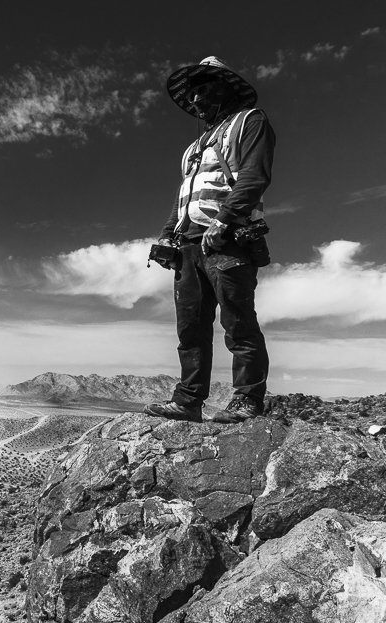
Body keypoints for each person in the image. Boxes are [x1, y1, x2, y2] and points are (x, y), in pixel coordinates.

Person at [145, 56, 276, 423]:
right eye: (192, 94)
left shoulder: (250, 122)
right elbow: (183, 195)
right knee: (191, 329)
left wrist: (224, 220)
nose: (196, 100)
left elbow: (254, 176)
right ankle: (188, 401)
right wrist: (167, 235)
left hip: (227, 240)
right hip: (188, 246)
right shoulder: (194, 147)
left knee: (238, 324)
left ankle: (248, 400)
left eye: (202, 89)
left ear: (224, 87)